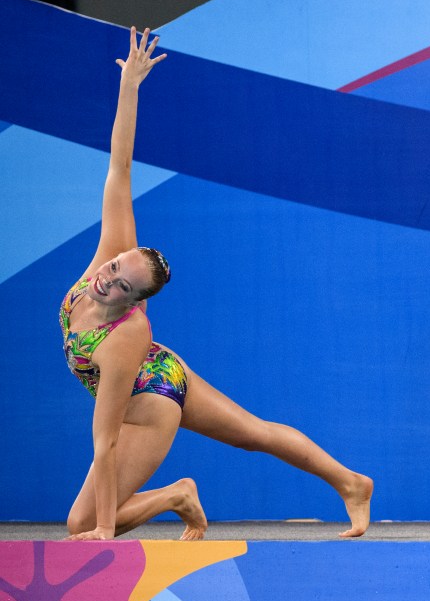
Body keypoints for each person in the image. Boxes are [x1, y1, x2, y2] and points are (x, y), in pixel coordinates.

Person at [61, 27, 373, 540]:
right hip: (165, 368)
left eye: (120, 286)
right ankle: (351, 482)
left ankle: (176, 495)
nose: (106, 280)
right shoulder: (106, 260)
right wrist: (131, 87)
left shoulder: (123, 339)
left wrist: (101, 530)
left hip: (150, 402)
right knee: (253, 433)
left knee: (81, 524)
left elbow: (106, 439)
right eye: (114, 269)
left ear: (133, 305)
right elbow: (119, 167)